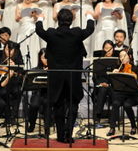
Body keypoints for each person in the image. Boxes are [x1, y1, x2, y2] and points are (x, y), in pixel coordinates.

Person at [35, 8, 95, 143]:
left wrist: (40, 18)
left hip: (56, 78)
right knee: (73, 105)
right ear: (72, 20)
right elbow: (90, 29)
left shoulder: (52, 33)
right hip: (73, 77)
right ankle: (69, 134)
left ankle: (61, 135)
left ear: (58, 19)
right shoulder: (77, 33)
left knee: (58, 106)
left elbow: (39, 30)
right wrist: (89, 16)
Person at [108, 49, 138, 136]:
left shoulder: (135, 68)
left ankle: (133, 126)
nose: (122, 58)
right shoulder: (118, 68)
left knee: (127, 105)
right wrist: (113, 75)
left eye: (124, 56)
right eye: (120, 56)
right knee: (115, 103)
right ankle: (112, 127)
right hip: (121, 94)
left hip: (134, 95)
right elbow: (113, 84)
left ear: (129, 56)